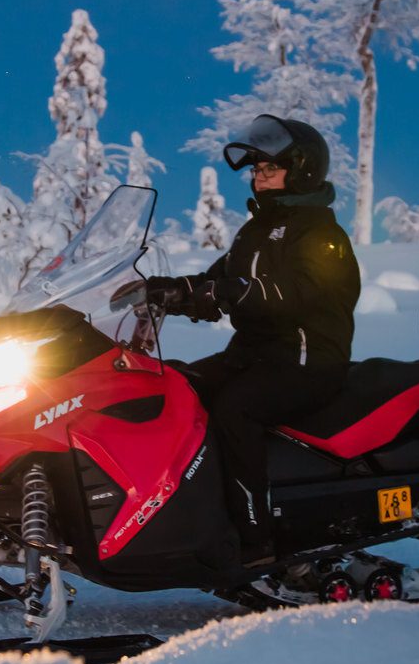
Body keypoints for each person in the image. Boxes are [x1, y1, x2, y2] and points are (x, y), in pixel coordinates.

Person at [141, 114, 360, 547]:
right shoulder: (256, 231)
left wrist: (226, 292)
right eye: (257, 171)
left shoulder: (322, 234)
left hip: (307, 362)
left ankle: (255, 534)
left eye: (270, 170)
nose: (259, 180)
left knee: (234, 410)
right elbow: (220, 278)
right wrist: (174, 290)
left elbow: (296, 294)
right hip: (253, 355)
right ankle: (178, 512)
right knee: (178, 387)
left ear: (302, 170)